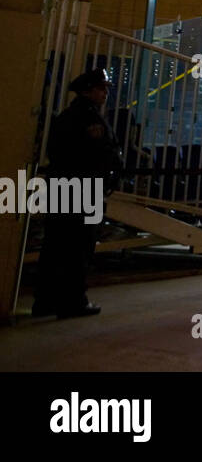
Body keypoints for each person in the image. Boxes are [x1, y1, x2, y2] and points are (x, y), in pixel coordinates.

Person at [33, 68, 123, 319]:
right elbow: (100, 154)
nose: (105, 93)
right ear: (88, 90)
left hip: (63, 189)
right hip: (84, 190)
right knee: (78, 248)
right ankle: (74, 301)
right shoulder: (88, 119)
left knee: (55, 246)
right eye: (101, 88)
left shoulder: (67, 117)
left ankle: (45, 301)